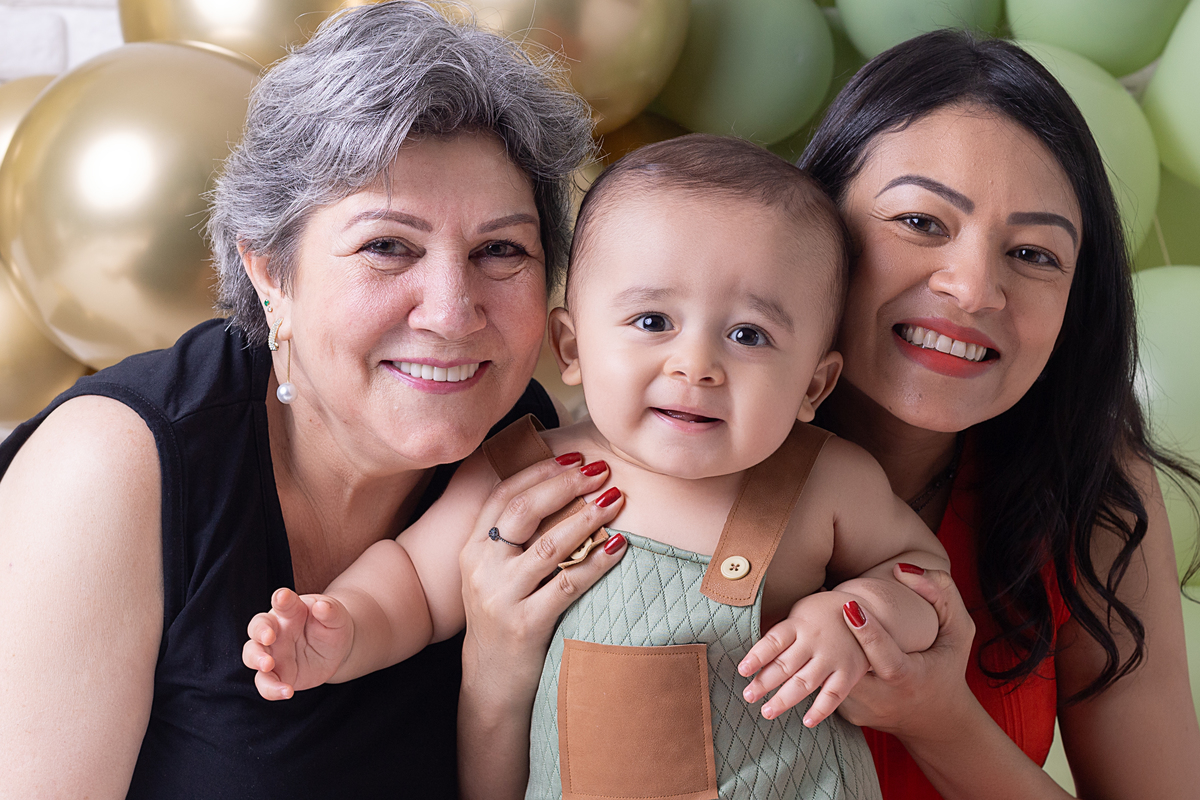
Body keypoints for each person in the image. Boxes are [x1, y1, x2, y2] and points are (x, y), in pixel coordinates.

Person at [458, 30, 1200, 800]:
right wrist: (494, 666)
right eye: (921, 222)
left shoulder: (1092, 488)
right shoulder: (633, 457)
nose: (976, 288)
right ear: (822, 229)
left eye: (1036, 254)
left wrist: (939, 717)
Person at [0, 3, 631, 798]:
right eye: (387, 246)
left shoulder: (530, 450)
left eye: (499, 250)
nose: (450, 310)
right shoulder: (112, 468)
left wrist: (499, 681)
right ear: (272, 276)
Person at [242, 135, 950, 799]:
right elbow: (415, 586)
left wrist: (859, 617)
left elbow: (923, 579)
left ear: (813, 387)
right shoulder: (526, 471)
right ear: (571, 346)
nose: (695, 365)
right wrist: (341, 628)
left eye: (747, 334)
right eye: (652, 322)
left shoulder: (826, 481)